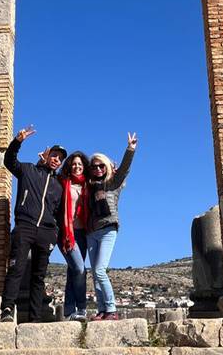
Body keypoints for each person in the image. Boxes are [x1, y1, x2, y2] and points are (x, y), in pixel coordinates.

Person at [0, 125, 67, 323]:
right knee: (16, 269)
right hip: (25, 227)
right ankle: (7, 310)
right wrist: (17, 141)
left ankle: (35, 319)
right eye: (54, 155)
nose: (57, 160)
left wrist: (54, 234)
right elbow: (9, 161)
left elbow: (58, 212)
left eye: (60, 159)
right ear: (46, 155)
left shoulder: (58, 186)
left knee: (38, 277)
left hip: (46, 233)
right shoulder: (28, 170)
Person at [87, 132, 138, 321]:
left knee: (100, 270)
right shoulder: (89, 186)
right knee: (94, 273)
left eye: (101, 165)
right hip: (91, 232)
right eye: (94, 166)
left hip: (109, 228)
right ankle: (102, 310)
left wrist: (130, 149)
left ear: (106, 166)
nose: (98, 168)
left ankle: (111, 309)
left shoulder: (113, 183)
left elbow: (124, 169)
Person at [56, 151, 91, 321]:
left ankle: (69, 312)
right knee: (79, 269)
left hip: (83, 233)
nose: (77, 166)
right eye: (74, 164)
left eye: (80, 164)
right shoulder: (62, 182)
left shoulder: (88, 185)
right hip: (66, 233)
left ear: (84, 167)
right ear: (69, 166)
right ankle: (82, 308)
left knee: (73, 271)